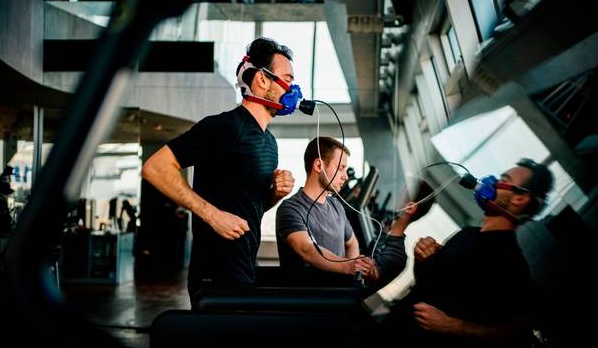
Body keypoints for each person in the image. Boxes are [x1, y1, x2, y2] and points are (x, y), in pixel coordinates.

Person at [142, 37, 297, 299]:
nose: (293, 88)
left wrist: (274, 195)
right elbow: (155, 167)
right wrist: (212, 215)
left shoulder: (269, 142)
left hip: (245, 266)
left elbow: (249, 209)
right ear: (262, 80)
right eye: (288, 79)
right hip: (214, 274)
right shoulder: (226, 127)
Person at [381, 158, 554, 348]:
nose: (494, 182)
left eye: (504, 179)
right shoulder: (468, 234)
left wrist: (451, 325)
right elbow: (426, 285)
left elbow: (513, 332)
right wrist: (422, 260)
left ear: (520, 199)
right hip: (391, 335)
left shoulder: (510, 262)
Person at [275, 137, 377, 285]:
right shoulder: (291, 209)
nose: (345, 176)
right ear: (318, 165)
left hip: (339, 296)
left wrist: (352, 276)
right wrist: (347, 266)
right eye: (340, 168)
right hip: (313, 299)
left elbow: (352, 243)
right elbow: (307, 249)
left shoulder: (336, 205)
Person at [368, 177, 435, 290]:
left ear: (409, 208)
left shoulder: (397, 257)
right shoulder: (373, 219)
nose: (390, 193)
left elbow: (361, 280)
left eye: (397, 192)